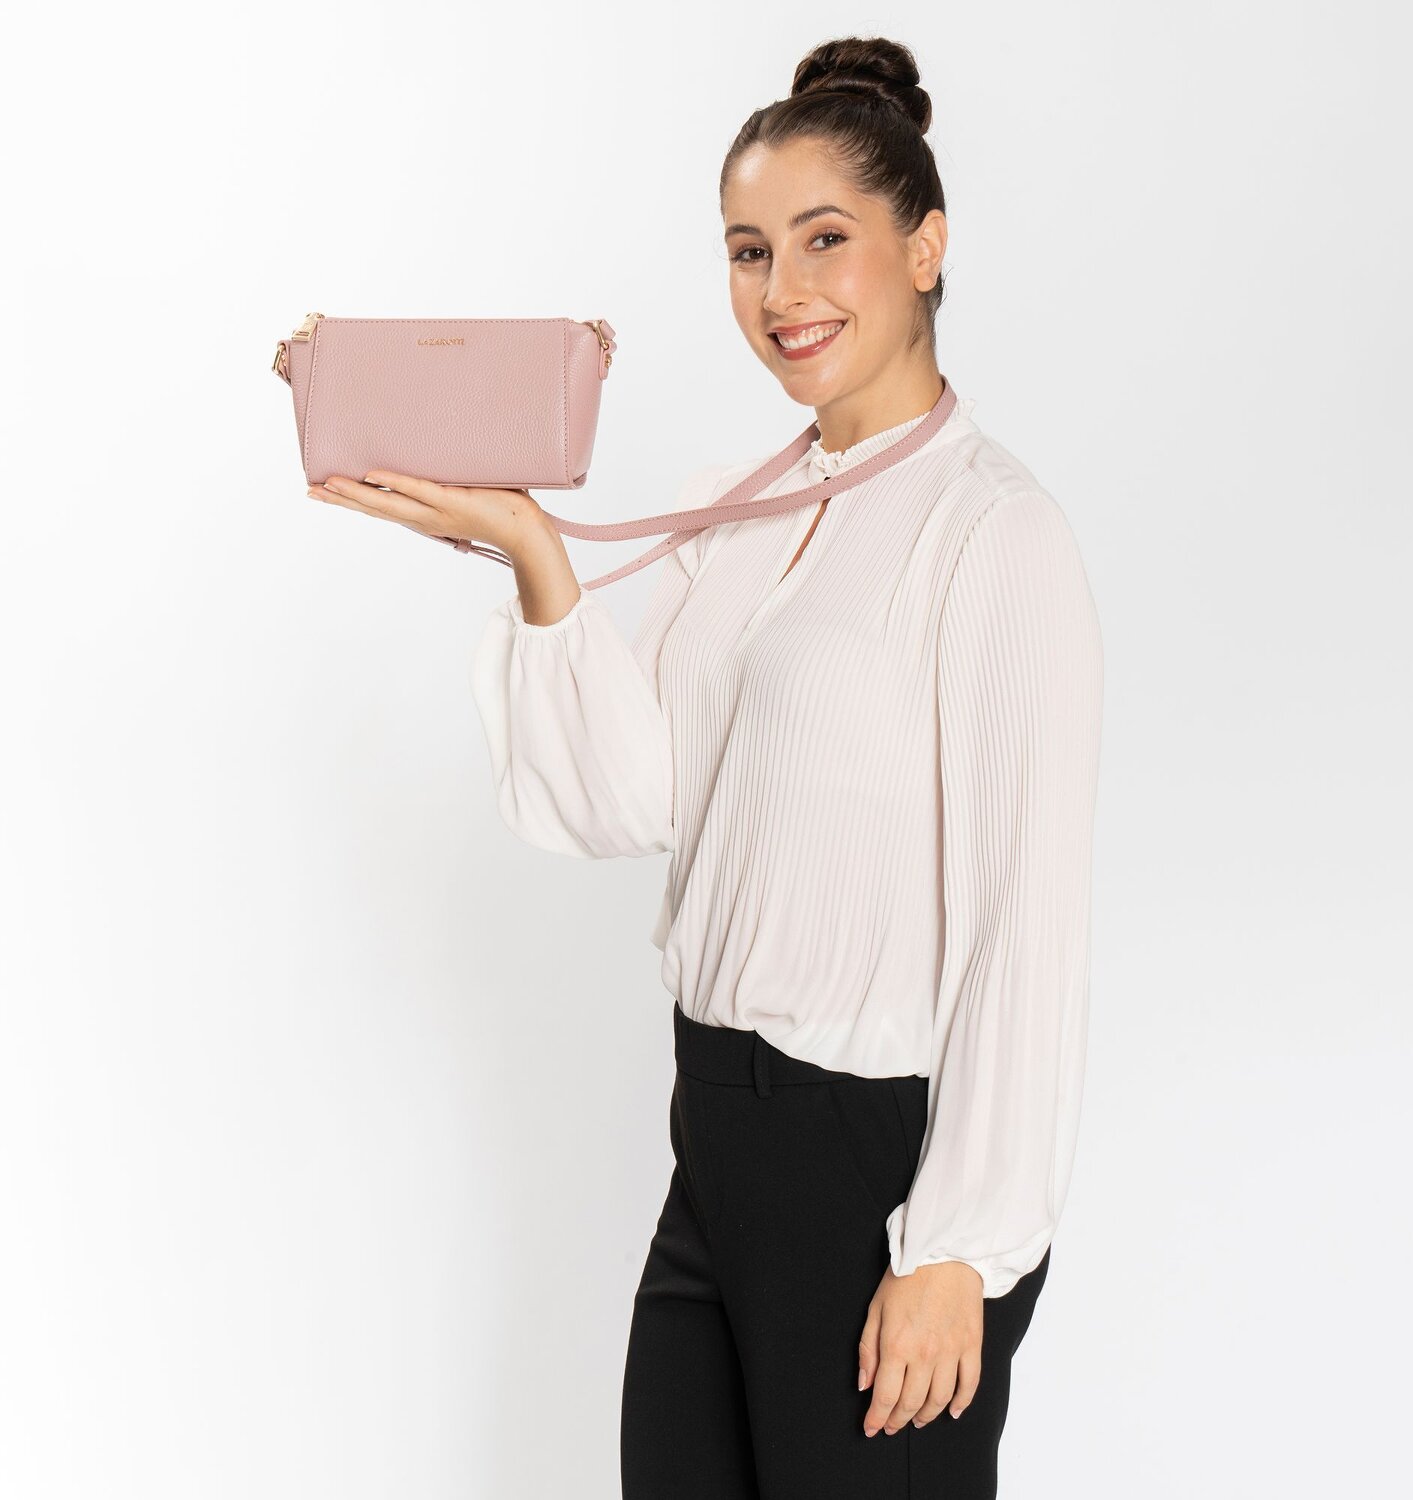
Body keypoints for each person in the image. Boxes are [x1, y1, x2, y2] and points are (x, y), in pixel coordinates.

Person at [308, 34, 1104, 1500]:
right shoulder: (733, 513)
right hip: (716, 1142)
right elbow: (629, 799)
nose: (783, 289)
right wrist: (532, 549)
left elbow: (1025, 916)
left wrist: (960, 1247)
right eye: (749, 250)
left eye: (824, 239)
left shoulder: (996, 535)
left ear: (926, 247)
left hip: (878, 1167)